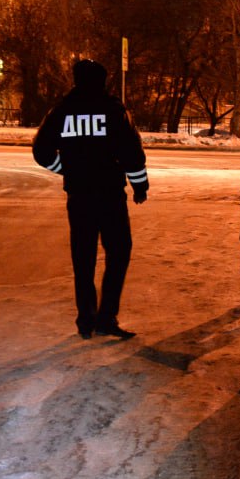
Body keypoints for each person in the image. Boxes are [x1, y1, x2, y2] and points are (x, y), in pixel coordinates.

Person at [33, 59, 149, 340]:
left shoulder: (62, 111)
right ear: (102, 80)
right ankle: (107, 317)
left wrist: (67, 171)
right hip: (110, 194)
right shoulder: (114, 110)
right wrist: (139, 186)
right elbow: (132, 152)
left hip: (79, 196)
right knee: (118, 253)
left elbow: (41, 151)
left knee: (83, 258)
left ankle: (86, 320)